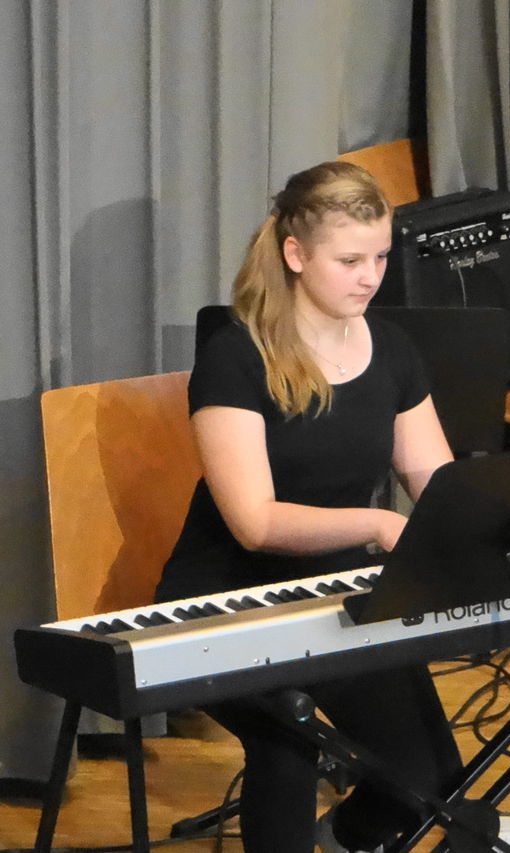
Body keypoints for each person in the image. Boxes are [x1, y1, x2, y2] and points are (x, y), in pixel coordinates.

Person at [155, 160, 460, 853]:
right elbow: (255, 522)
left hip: (334, 592)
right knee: (288, 739)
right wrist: (378, 524)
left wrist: (495, 527)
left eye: (380, 257)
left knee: (428, 773)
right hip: (223, 596)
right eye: (350, 260)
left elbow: (436, 481)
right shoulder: (236, 356)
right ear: (295, 254)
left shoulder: (392, 349)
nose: (370, 276)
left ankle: (341, 838)